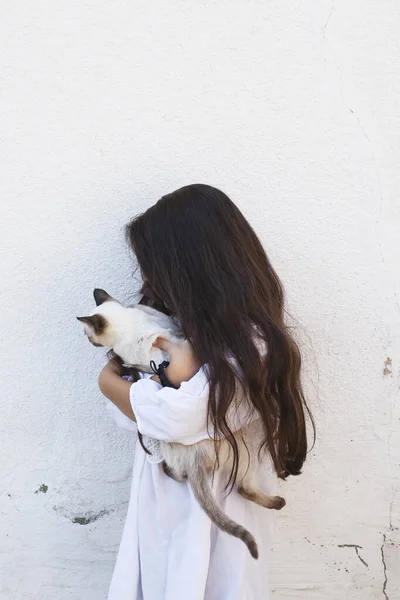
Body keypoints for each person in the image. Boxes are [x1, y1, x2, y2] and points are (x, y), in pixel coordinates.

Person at [98, 184, 314, 600]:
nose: (147, 278)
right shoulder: (174, 329)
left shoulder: (254, 344)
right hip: (162, 514)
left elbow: (180, 417)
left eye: (155, 266)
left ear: (192, 268)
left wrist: (109, 385)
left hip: (220, 521)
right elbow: (133, 416)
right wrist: (149, 398)